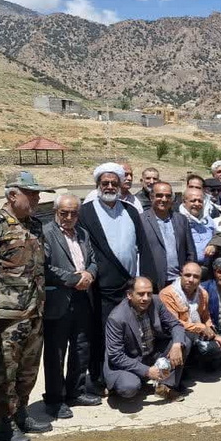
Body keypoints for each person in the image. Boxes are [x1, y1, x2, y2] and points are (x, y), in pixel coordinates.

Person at [0, 171, 55, 441]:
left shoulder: (35, 225)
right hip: (5, 317)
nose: (37, 199)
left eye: (37, 194)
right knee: (4, 373)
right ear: (13, 195)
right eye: (32, 194)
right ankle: (4, 425)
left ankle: (21, 414)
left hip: (34, 311)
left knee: (28, 370)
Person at [79, 162, 154, 395]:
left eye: (114, 183)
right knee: (101, 333)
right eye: (105, 183)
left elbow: (142, 246)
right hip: (101, 288)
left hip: (128, 284)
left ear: (121, 185)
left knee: (132, 331)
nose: (110, 186)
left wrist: (145, 280)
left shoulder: (130, 211)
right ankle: (101, 378)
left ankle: (133, 370)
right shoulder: (85, 212)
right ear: (98, 185)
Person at [41, 194, 102, 422]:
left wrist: (90, 274)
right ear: (55, 212)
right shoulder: (46, 233)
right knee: (56, 352)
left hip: (82, 298)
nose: (68, 217)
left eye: (73, 213)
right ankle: (55, 399)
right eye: (64, 213)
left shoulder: (83, 233)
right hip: (59, 300)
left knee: (81, 346)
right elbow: (45, 268)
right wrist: (74, 278)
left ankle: (76, 391)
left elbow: (93, 260)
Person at [104, 277, 189, 401]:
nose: (146, 298)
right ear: (129, 295)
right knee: (129, 387)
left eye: (149, 293)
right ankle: (122, 385)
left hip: (151, 353)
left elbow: (175, 325)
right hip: (130, 360)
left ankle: (165, 386)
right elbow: (116, 355)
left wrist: (177, 344)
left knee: (184, 341)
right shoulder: (117, 318)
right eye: (141, 294)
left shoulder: (156, 302)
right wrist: (147, 371)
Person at [159, 262, 221, 370]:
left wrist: (214, 334)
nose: (191, 280)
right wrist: (201, 328)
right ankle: (176, 373)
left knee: (217, 346)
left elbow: (206, 317)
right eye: (187, 275)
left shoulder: (203, 293)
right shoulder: (167, 294)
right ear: (181, 275)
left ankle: (195, 363)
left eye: (196, 277)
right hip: (174, 334)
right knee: (186, 341)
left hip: (196, 332)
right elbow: (174, 323)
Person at [141, 182, 197, 287]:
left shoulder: (181, 220)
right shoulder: (141, 220)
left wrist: (189, 274)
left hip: (179, 281)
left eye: (168, 196)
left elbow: (190, 251)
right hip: (153, 282)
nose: (164, 199)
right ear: (151, 197)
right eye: (159, 195)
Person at [180, 187, 216, 268]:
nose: (197, 204)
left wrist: (214, 245)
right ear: (184, 202)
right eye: (193, 201)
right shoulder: (178, 221)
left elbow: (217, 236)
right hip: (188, 269)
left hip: (209, 268)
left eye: (200, 201)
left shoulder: (208, 220)